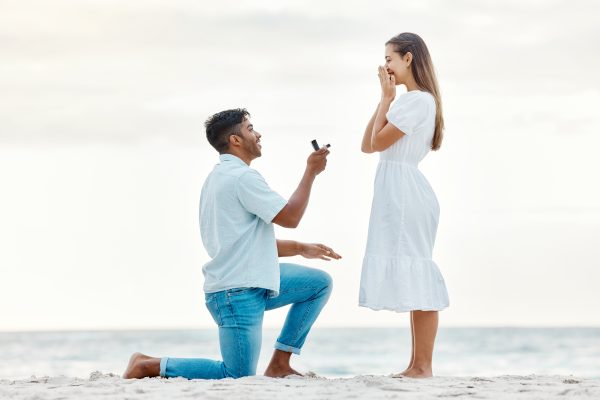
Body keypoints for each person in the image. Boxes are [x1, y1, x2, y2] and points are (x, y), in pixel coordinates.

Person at [123, 108, 341, 379]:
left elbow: (246, 244)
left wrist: (299, 248)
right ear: (235, 140)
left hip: (253, 280)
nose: (258, 133)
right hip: (235, 293)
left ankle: (280, 364)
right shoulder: (242, 177)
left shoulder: (218, 178)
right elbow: (291, 216)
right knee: (236, 375)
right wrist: (311, 172)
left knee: (318, 283)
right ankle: (148, 364)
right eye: (250, 128)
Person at [359, 32, 449, 378]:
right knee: (413, 273)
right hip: (397, 189)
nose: (386, 66)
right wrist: (384, 99)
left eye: (389, 59)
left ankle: (423, 366)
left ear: (408, 58)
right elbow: (367, 146)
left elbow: (378, 142)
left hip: (405, 192)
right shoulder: (405, 100)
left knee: (418, 270)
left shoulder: (418, 101)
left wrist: (386, 98)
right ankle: (416, 365)